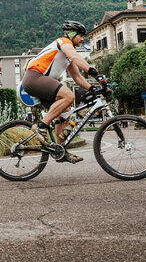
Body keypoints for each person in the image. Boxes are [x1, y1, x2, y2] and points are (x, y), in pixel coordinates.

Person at [21, 20, 104, 163]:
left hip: (42, 83)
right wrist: (95, 73)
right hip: (34, 78)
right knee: (68, 95)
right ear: (72, 35)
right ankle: (41, 127)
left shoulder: (67, 56)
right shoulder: (64, 42)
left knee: (65, 112)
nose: (82, 39)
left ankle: (60, 150)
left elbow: (77, 77)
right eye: (80, 35)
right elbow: (75, 57)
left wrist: (92, 88)